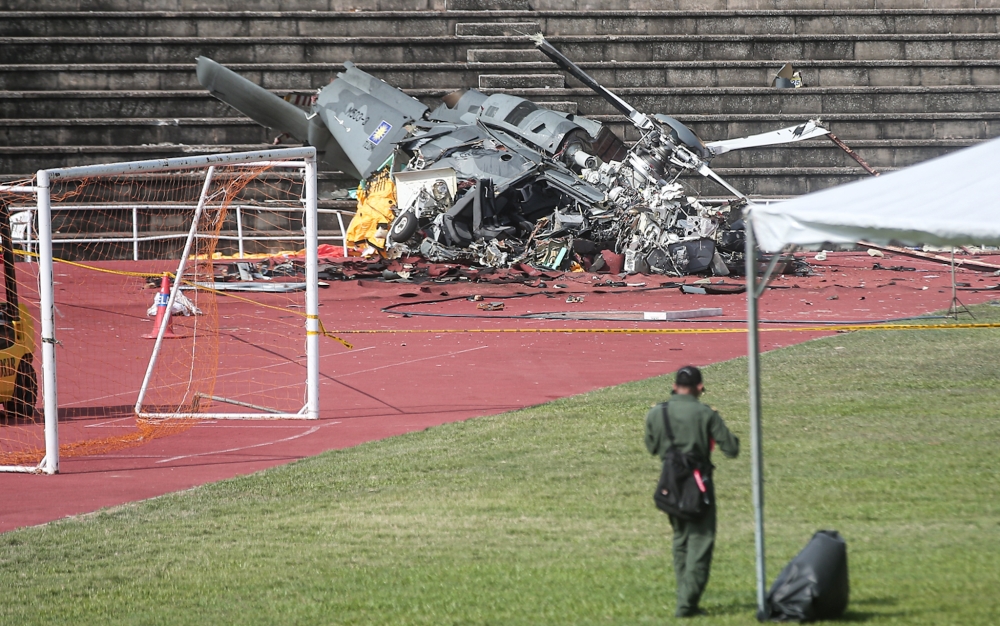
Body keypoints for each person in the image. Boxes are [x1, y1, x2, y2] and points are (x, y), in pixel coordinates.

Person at [645, 365, 740, 618]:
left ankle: (684, 594)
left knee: (681, 540)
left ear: (675, 386)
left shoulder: (657, 412)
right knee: (701, 541)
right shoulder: (706, 413)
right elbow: (731, 448)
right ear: (699, 388)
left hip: (669, 483)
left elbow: (651, 447)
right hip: (698, 484)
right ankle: (686, 605)